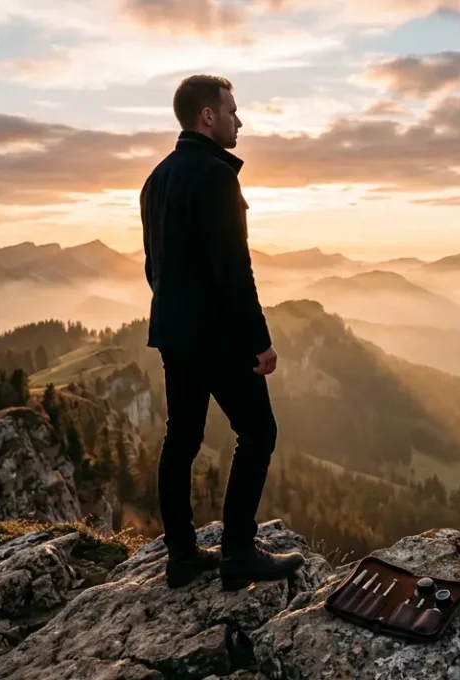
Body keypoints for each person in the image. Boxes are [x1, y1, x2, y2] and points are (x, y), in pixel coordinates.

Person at [140, 74, 304, 590]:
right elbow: (233, 268)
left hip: (173, 331)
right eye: (232, 110)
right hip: (217, 335)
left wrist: (174, 314)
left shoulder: (156, 179)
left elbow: (154, 266)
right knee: (258, 432)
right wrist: (259, 340)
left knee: (181, 440)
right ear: (207, 116)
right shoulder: (215, 176)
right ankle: (236, 551)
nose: (240, 119)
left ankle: (182, 557)